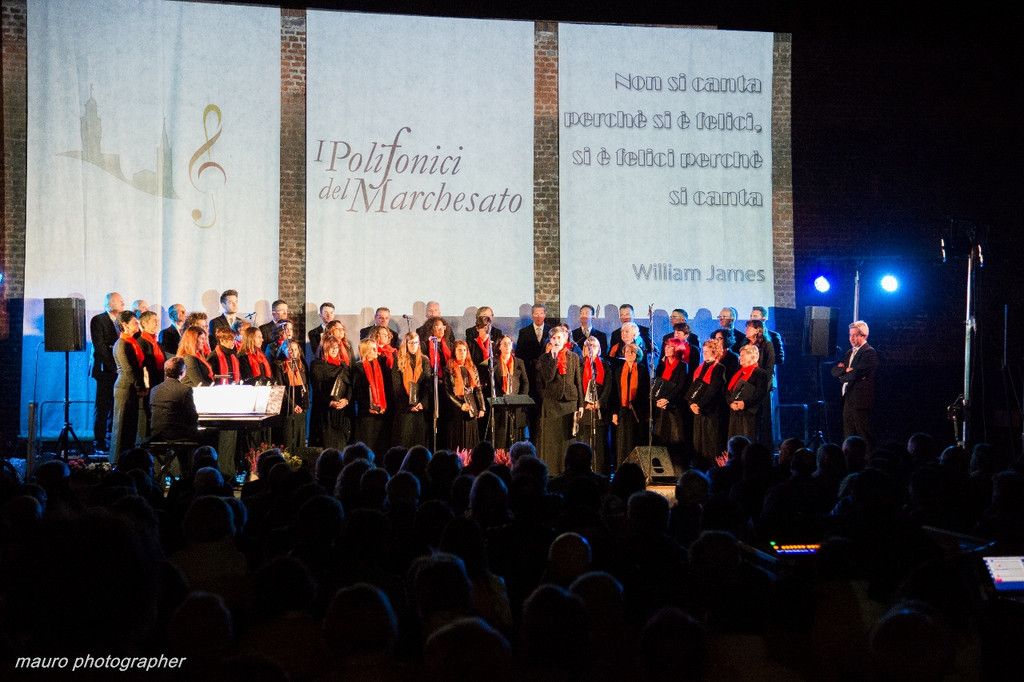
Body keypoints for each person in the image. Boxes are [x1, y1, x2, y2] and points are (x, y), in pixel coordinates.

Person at [536, 326, 583, 475]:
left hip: (570, 401)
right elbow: (548, 378)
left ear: (565, 339)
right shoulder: (545, 358)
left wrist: (581, 404)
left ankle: (567, 469)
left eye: (559, 338)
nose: (556, 340)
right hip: (552, 402)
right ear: (550, 340)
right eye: (554, 338)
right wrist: (554, 358)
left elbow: (578, 381)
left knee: (567, 438)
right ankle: (553, 471)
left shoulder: (573, 357)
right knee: (553, 438)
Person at [831, 320, 879, 449]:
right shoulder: (849, 352)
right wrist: (845, 370)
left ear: (864, 335)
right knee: (848, 435)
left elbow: (856, 374)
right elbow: (834, 371)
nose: (851, 338)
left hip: (860, 401)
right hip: (848, 398)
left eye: (855, 335)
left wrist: (843, 375)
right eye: (850, 335)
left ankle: (868, 460)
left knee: (864, 435)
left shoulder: (869, 352)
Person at [90, 291, 124, 453]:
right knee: (102, 407)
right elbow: (100, 347)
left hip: (118, 371)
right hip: (105, 371)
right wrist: (115, 366)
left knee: (115, 406)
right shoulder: (98, 320)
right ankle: (99, 441)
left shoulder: (121, 321)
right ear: (109, 304)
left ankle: (112, 439)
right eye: (119, 300)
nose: (123, 303)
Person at [110, 311, 146, 462]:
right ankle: (116, 461)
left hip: (131, 387)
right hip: (125, 387)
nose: (138, 324)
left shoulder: (131, 342)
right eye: (135, 322)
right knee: (121, 426)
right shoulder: (122, 344)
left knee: (130, 426)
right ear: (124, 325)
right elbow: (128, 370)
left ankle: (127, 460)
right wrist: (140, 387)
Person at [517, 304, 555, 441]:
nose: (539, 316)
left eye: (541, 313)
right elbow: (520, 356)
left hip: (548, 379)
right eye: (536, 313)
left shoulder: (552, 331)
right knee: (532, 413)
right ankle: (533, 441)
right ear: (532, 315)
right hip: (531, 378)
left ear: (545, 314)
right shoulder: (524, 332)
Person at [688, 340, 727, 467]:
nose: (704, 353)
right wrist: (691, 403)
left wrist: (699, 405)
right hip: (698, 411)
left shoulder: (719, 368)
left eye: (707, 351)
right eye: (703, 351)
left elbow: (713, 390)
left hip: (711, 411)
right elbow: (694, 388)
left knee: (710, 443)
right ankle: (700, 469)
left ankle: (712, 470)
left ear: (715, 352)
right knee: (698, 443)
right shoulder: (700, 368)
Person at [310, 337, 352, 449]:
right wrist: (329, 402)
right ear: (324, 349)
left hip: (341, 412)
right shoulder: (317, 365)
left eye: (336, 347)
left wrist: (346, 400)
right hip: (325, 412)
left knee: (342, 446)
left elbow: (349, 386)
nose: (334, 350)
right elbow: (317, 389)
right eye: (331, 348)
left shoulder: (343, 366)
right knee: (327, 446)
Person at [611, 342, 649, 468]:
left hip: (636, 412)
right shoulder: (619, 370)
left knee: (635, 440)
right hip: (622, 410)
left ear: (637, 354)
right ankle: (622, 468)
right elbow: (615, 392)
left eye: (632, 352)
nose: (629, 354)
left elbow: (646, 392)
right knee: (623, 442)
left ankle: (636, 468)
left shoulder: (642, 370)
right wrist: (614, 412)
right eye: (627, 351)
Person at [652, 338, 690, 463]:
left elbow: (680, 386)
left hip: (674, 406)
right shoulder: (662, 365)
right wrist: (657, 399)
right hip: (660, 406)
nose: (666, 349)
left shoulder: (682, 365)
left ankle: (678, 466)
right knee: (660, 435)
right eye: (666, 346)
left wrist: (667, 399)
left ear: (677, 349)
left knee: (675, 436)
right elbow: (657, 384)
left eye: (670, 347)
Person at [352, 338, 392, 453]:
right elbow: (357, 392)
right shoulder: (358, 367)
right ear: (366, 351)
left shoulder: (381, 366)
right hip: (366, 413)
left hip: (381, 412)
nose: (377, 351)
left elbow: (387, 387)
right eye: (373, 349)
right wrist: (368, 407)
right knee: (367, 445)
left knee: (381, 446)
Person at [579, 335, 612, 472]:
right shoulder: (580, 364)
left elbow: (609, 386)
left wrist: (599, 402)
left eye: (594, 346)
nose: (591, 348)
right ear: (584, 350)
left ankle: (601, 471)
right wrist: (584, 403)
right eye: (588, 346)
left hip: (600, 410)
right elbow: (577, 386)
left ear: (599, 349)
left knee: (600, 444)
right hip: (585, 409)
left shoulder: (605, 365)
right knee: (585, 443)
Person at [444, 340, 485, 451]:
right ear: (454, 352)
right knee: (458, 441)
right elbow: (448, 392)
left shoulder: (472, 367)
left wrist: (482, 407)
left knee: (471, 440)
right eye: (459, 350)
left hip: (471, 406)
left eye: (464, 350)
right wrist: (461, 405)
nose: (462, 352)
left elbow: (478, 389)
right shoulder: (449, 368)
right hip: (456, 408)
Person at [726, 345, 771, 445]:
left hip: (749, 415)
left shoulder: (760, 373)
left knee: (748, 442)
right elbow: (728, 392)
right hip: (735, 413)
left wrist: (744, 403)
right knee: (734, 443)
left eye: (743, 355)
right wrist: (730, 403)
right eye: (740, 355)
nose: (740, 357)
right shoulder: (738, 373)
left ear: (752, 356)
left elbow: (760, 393)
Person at [148, 356, 200, 442]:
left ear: (165, 372)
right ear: (183, 372)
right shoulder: (185, 390)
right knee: (212, 432)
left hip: (156, 435)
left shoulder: (154, 389)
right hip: (177, 435)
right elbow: (192, 417)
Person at [394, 332, 432, 448]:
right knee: (405, 439)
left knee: (419, 441)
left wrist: (423, 403)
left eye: (416, 342)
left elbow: (427, 385)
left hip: (419, 407)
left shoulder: (424, 360)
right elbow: (397, 386)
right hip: (405, 408)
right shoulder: (399, 360)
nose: (413, 345)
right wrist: (408, 405)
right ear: (405, 344)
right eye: (410, 343)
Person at [272, 339, 309, 454]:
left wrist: (303, 405)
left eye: (295, 349)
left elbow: (305, 386)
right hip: (287, 407)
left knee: (299, 439)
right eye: (290, 349)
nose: (293, 352)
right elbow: (281, 388)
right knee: (288, 440)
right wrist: (293, 405)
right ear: (284, 350)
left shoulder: (301, 365)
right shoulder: (279, 365)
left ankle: (299, 460)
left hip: (301, 407)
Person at [493, 335, 529, 449]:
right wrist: (502, 399)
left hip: (516, 405)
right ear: (499, 347)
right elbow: (492, 384)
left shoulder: (519, 362)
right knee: (501, 437)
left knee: (515, 439)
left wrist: (520, 399)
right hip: (501, 405)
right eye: (504, 343)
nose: (507, 346)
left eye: (509, 343)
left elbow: (525, 382)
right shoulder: (493, 363)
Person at [743, 319, 776, 447]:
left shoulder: (767, 345)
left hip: (762, 386)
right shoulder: (745, 343)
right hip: (748, 386)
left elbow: (769, 368)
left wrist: (761, 382)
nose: (746, 330)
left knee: (763, 418)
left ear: (757, 330)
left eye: (749, 327)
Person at [136, 310, 165, 440]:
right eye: (154, 321)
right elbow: (142, 367)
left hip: (158, 382)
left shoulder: (156, 342)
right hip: (148, 384)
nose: (157, 324)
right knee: (148, 413)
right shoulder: (141, 342)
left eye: (157, 321)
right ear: (144, 323)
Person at [468, 306, 504, 402]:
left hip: (492, 371)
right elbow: (471, 353)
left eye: (489, 315)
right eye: (484, 315)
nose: (486, 318)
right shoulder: (470, 332)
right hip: (477, 370)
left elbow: (498, 353)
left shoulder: (497, 332)